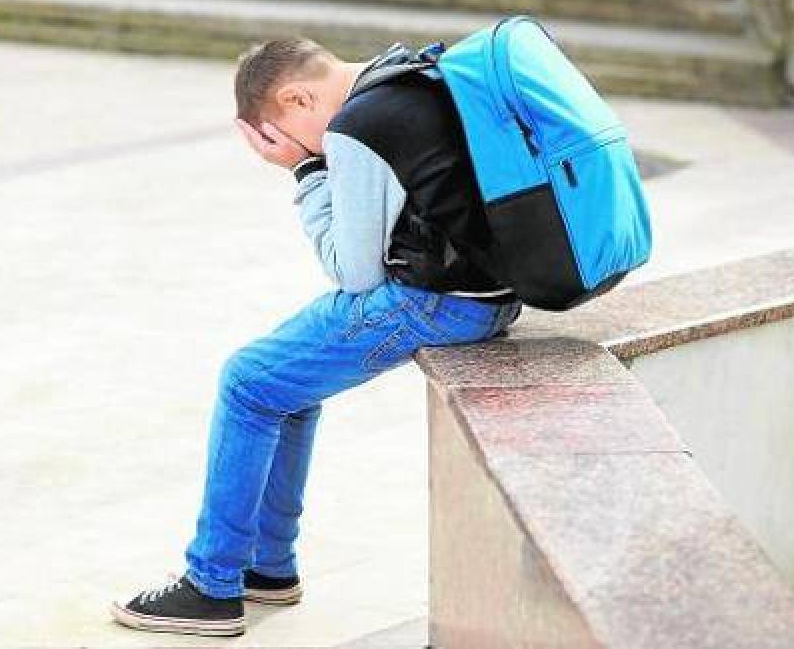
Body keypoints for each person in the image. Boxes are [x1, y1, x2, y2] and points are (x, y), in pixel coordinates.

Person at [109, 37, 524, 638]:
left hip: (437, 303)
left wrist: (305, 170)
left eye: (283, 135)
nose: (304, 148)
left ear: (297, 96)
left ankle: (211, 587)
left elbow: (354, 272)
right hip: (483, 294)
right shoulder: (403, 75)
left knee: (247, 382)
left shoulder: (357, 127)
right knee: (280, 383)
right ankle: (268, 569)